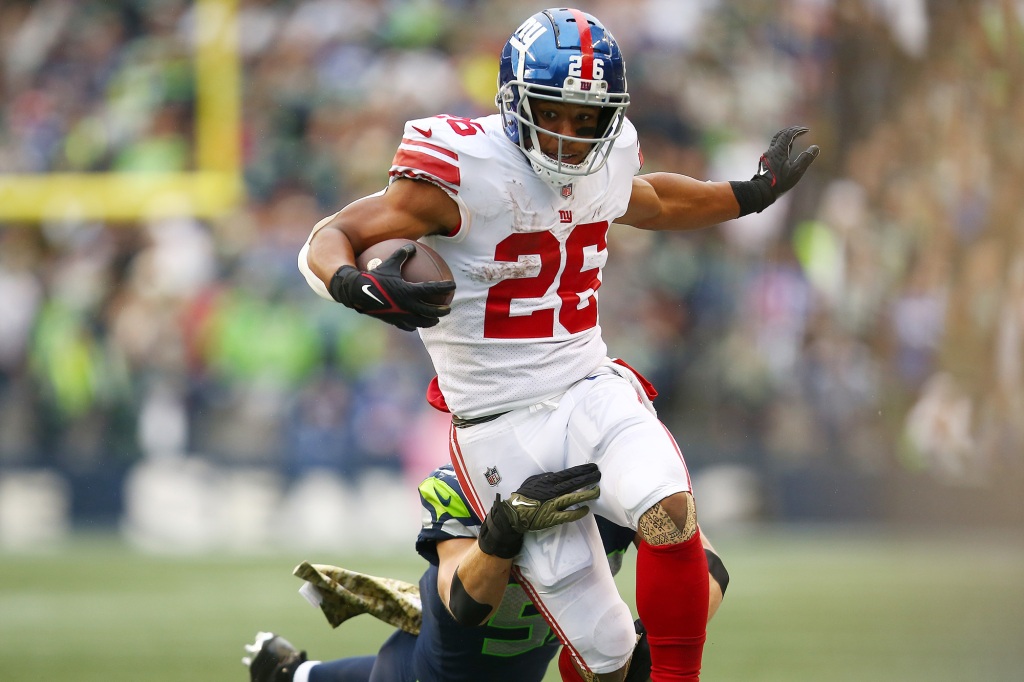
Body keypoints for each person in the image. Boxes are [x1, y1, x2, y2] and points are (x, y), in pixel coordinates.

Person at [298, 8, 816, 680]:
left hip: (590, 385)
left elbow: (654, 200)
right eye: (557, 111)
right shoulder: (465, 165)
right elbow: (329, 235)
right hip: (501, 425)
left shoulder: (605, 161)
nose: (572, 134)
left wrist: (749, 193)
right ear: (515, 102)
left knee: (669, 507)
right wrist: (347, 282)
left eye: (589, 116)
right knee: (606, 656)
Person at [243, 464, 730, 682]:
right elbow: (465, 604)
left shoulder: (610, 478)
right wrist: (503, 530)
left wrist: (655, 638)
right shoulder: (459, 483)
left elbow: (705, 568)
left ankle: (292, 674)